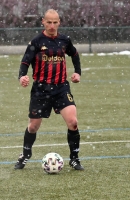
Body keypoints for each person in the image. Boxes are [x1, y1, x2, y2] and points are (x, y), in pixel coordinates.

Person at [14, 9, 84, 171]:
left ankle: (74, 158)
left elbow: (74, 55)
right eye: (49, 22)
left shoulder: (65, 40)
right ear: (43, 22)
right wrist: (22, 76)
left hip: (61, 88)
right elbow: (25, 62)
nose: (52, 25)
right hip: (41, 90)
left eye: (55, 22)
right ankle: (25, 154)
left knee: (73, 122)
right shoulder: (36, 41)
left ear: (59, 22)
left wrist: (77, 72)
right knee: (33, 127)